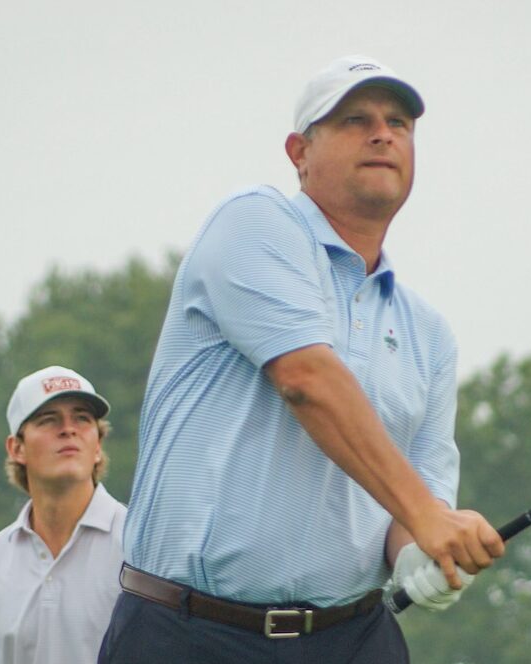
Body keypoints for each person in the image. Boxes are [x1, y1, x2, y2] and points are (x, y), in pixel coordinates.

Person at [99, 55, 505, 663]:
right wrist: (425, 515)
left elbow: (416, 501)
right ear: (299, 152)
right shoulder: (253, 222)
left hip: (353, 638)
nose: (382, 133)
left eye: (399, 122)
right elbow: (307, 380)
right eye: (353, 120)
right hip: (187, 633)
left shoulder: (429, 334)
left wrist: (421, 550)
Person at [0, 366, 127, 664]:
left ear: (97, 445)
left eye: (82, 418)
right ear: (16, 448)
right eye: (49, 420)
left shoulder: (140, 547)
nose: (68, 429)